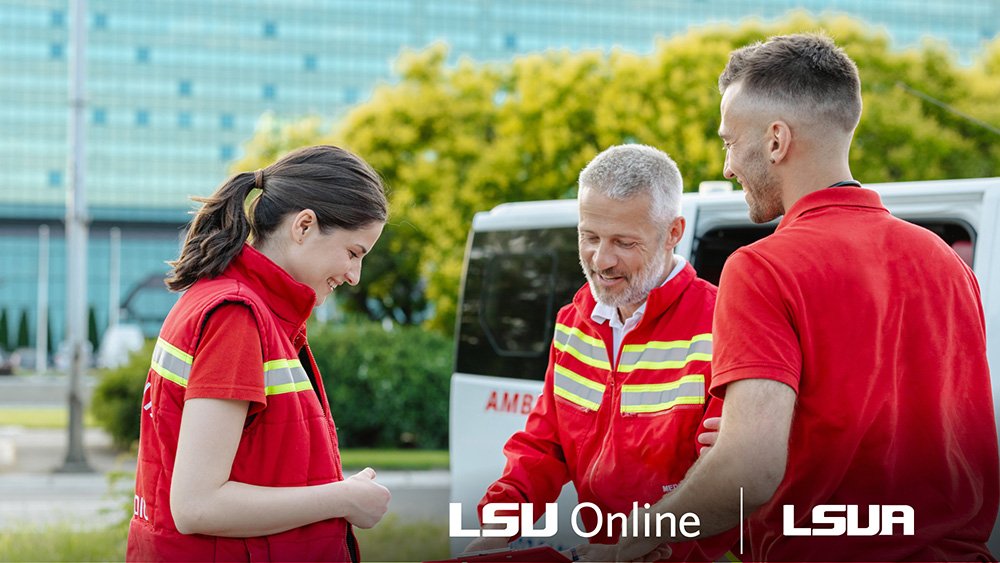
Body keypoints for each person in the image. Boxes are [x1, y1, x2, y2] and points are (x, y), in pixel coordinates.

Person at [606, 33, 999, 562]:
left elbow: (749, 470)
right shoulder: (949, 265)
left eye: (729, 142)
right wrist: (788, 434)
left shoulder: (761, 268)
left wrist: (628, 541)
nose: (727, 166)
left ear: (775, 141)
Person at [464, 144, 734, 561]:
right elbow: (543, 445)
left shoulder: (723, 324)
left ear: (674, 233)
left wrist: (642, 547)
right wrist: (497, 530)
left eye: (624, 242)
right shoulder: (575, 322)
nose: (601, 260)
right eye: (589, 237)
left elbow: (726, 479)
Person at [126, 145, 392, 562]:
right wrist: (341, 498)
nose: (354, 276)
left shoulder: (239, 306)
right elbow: (198, 506)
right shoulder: (237, 317)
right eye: (353, 253)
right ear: (304, 226)